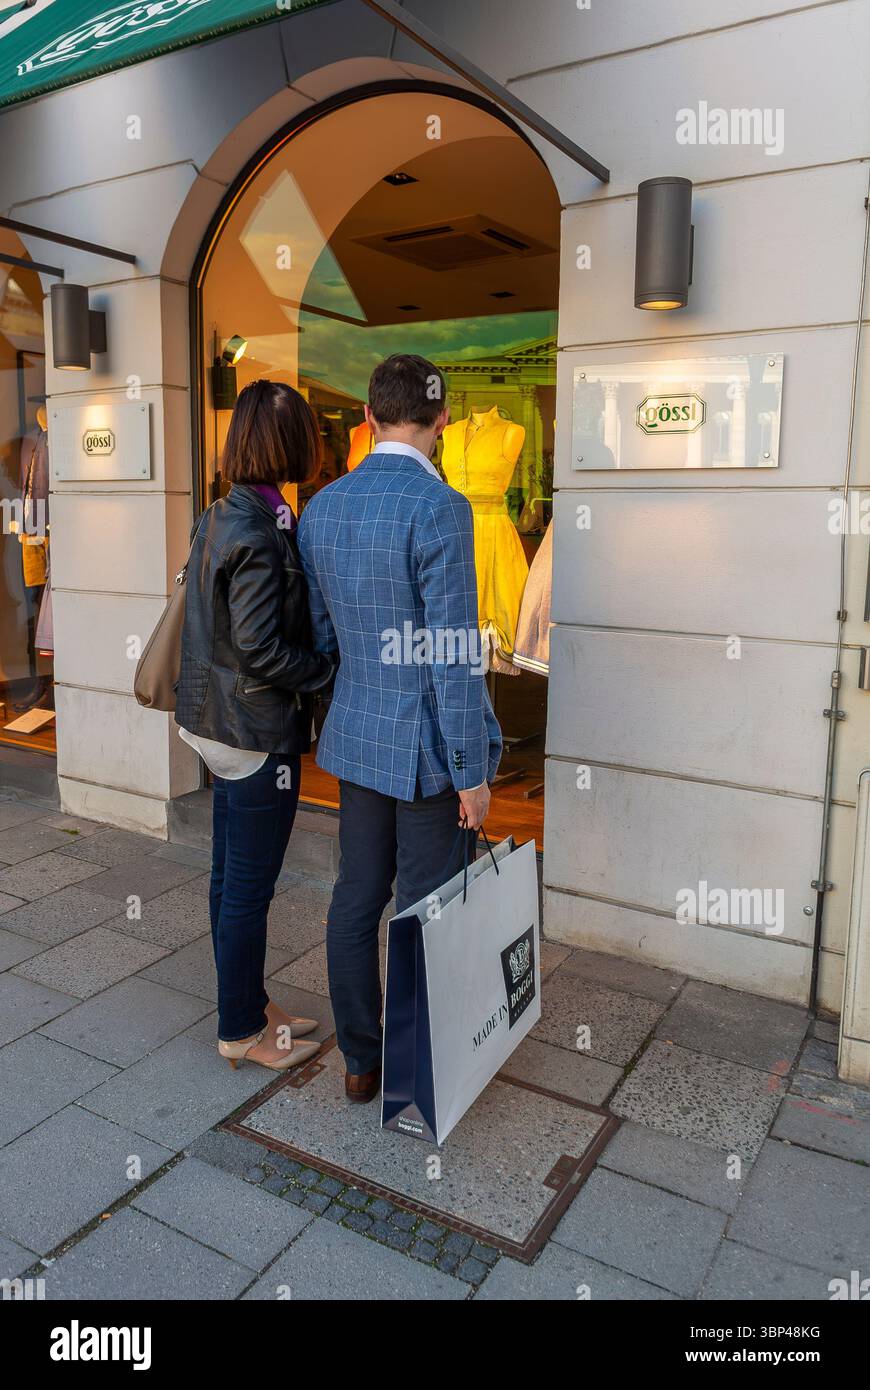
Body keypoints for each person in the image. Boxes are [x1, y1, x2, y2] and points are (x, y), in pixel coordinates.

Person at [297, 354, 502, 1104]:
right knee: (425, 909)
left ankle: (361, 1062)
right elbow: (452, 656)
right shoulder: (440, 506)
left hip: (356, 738)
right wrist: (473, 771)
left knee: (356, 897)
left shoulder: (323, 508)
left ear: (368, 420)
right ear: (442, 422)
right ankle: (417, 1075)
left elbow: (322, 638)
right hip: (426, 752)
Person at [175, 379, 336, 1072]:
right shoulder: (260, 532)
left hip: (213, 720)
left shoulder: (224, 512)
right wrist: (326, 669)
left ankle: (250, 1001)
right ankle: (239, 1027)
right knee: (248, 888)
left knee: (226, 878)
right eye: (309, 430)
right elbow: (262, 646)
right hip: (252, 732)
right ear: (289, 443)